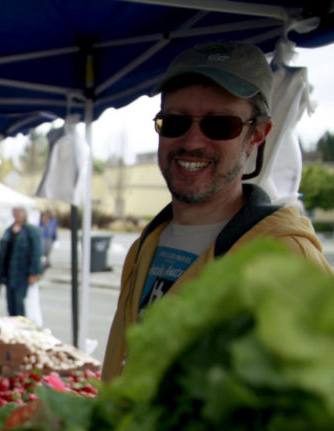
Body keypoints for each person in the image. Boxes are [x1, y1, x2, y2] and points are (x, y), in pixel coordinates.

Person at [102, 41, 333, 381]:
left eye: (220, 125)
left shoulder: (288, 261)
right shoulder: (144, 247)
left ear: (256, 135)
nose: (192, 141)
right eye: (176, 122)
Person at [0, 206, 42, 317]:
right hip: (9, 272)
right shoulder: (9, 230)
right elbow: (2, 251)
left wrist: (34, 272)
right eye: (14, 212)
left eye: (19, 212)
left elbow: (36, 252)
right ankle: (13, 325)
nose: (16, 215)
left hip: (22, 273)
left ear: (24, 214)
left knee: (20, 303)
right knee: (11, 303)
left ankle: (22, 327)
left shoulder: (31, 230)